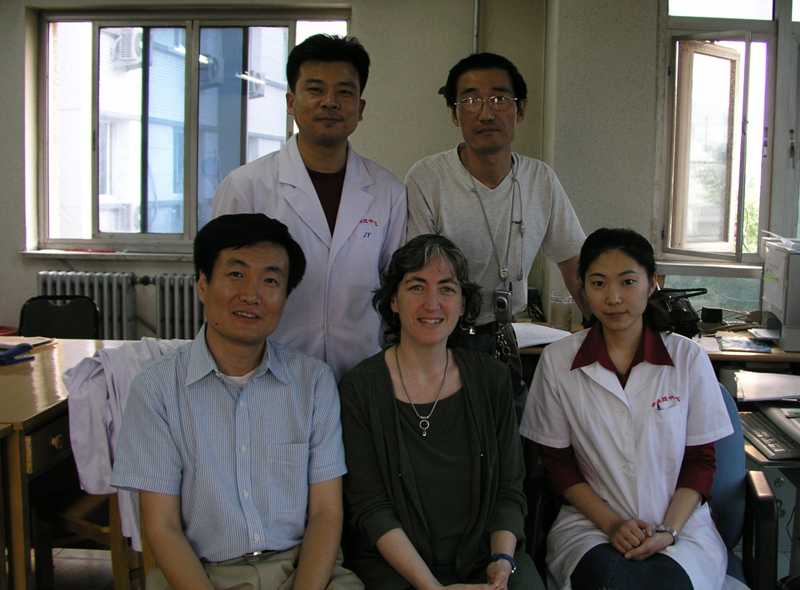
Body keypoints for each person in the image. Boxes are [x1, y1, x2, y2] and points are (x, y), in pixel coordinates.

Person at [111, 214, 362, 590]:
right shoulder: (156, 389)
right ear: (202, 284)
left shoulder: (314, 383)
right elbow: (161, 527)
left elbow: (327, 514)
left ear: (285, 296)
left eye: (271, 280)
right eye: (236, 274)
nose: (251, 294)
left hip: (299, 569)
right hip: (201, 574)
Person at [520, 228, 733, 590]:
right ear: (583, 290)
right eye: (598, 283)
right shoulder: (558, 361)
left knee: (666, 584)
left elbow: (701, 461)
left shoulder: (687, 358)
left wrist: (668, 530)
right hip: (592, 525)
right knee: (611, 582)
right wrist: (612, 524)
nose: (614, 297)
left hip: (679, 526)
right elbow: (558, 464)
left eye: (628, 281)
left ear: (652, 284)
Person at [339, 234, 539, 590]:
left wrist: (502, 563)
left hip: (488, 559)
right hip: (396, 567)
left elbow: (510, 488)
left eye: (446, 289)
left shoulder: (491, 380)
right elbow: (370, 507)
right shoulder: (360, 387)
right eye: (416, 286)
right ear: (394, 301)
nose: (432, 303)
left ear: (463, 304)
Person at [212, 34, 406, 380]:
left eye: (344, 92)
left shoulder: (388, 191)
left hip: (362, 376)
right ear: (290, 101)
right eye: (315, 89)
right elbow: (221, 291)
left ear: (360, 108)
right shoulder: (246, 186)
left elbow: (397, 292)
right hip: (267, 374)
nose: (329, 102)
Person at [405, 52, 585, 356]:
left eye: (500, 100)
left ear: (521, 110)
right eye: (471, 101)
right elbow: (417, 276)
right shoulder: (427, 178)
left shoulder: (540, 179)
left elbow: (574, 261)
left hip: (510, 332)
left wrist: (604, 327)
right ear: (454, 114)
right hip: (442, 335)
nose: (486, 114)